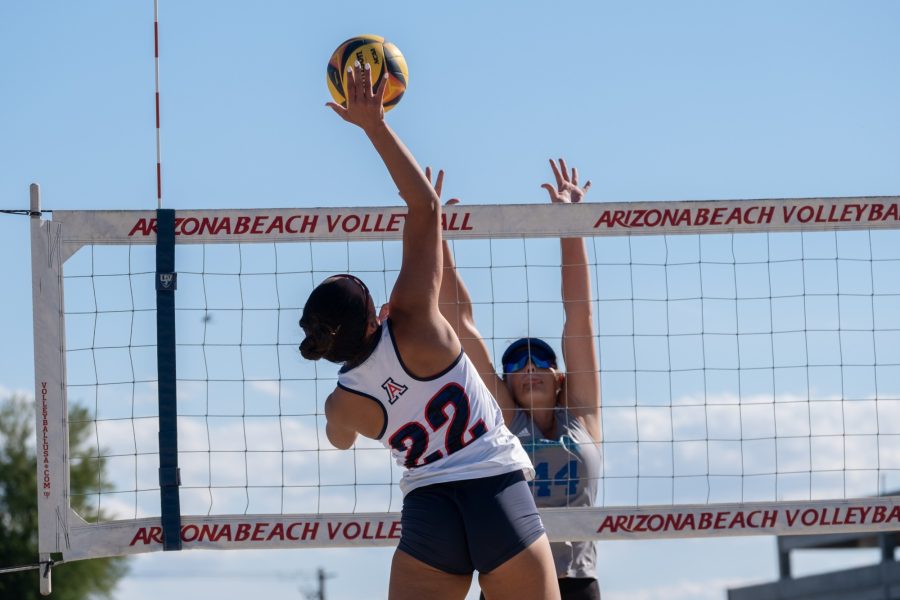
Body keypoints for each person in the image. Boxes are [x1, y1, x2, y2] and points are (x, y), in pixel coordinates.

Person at [299, 61, 560, 600]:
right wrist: (374, 125)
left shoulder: (341, 403)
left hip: (430, 516)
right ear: (378, 313)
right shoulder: (418, 319)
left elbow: (340, 439)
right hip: (497, 493)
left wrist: (349, 392)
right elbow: (425, 205)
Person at [437, 159, 602, 600]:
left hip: (576, 582)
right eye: (515, 363)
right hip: (514, 581)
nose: (528, 366)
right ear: (504, 385)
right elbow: (460, 323)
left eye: (540, 358)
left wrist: (570, 223)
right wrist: (435, 237)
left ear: (560, 375)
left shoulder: (582, 417)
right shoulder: (505, 422)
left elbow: (579, 317)